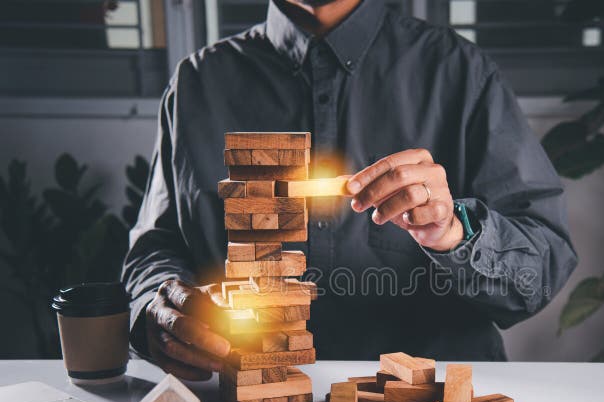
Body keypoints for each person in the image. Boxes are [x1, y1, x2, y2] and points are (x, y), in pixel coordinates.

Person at [122, 0, 577, 380]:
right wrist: (159, 309)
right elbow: (156, 247)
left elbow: (541, 268)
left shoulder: (462, 73)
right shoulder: (197, 83)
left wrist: (455, 233)